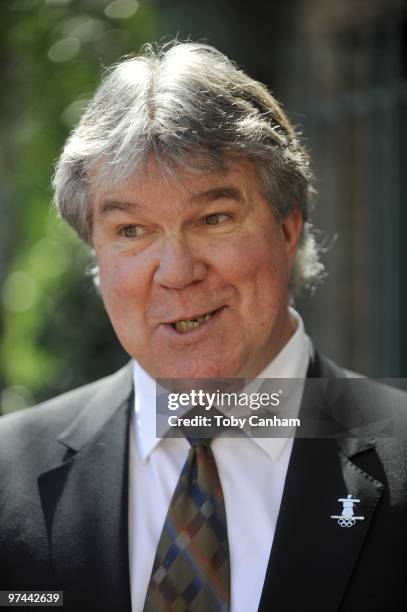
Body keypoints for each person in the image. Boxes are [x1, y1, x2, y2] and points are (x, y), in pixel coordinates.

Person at [0, 41, 406, 612]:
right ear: (97, 252)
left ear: (288, 228)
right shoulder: (7, 475)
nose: (177, 272)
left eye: (214, 218)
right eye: (131, 231)